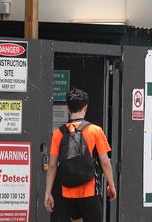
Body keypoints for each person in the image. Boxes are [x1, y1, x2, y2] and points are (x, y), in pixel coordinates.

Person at [45, 88, 116, 222]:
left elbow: (52, 164)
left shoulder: (58, 133)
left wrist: (48, 193)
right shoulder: (95, 131)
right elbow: (105, 162)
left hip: (68, 192)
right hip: (89, 191)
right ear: (85, 108)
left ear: (68, 109)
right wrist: (111, 185)